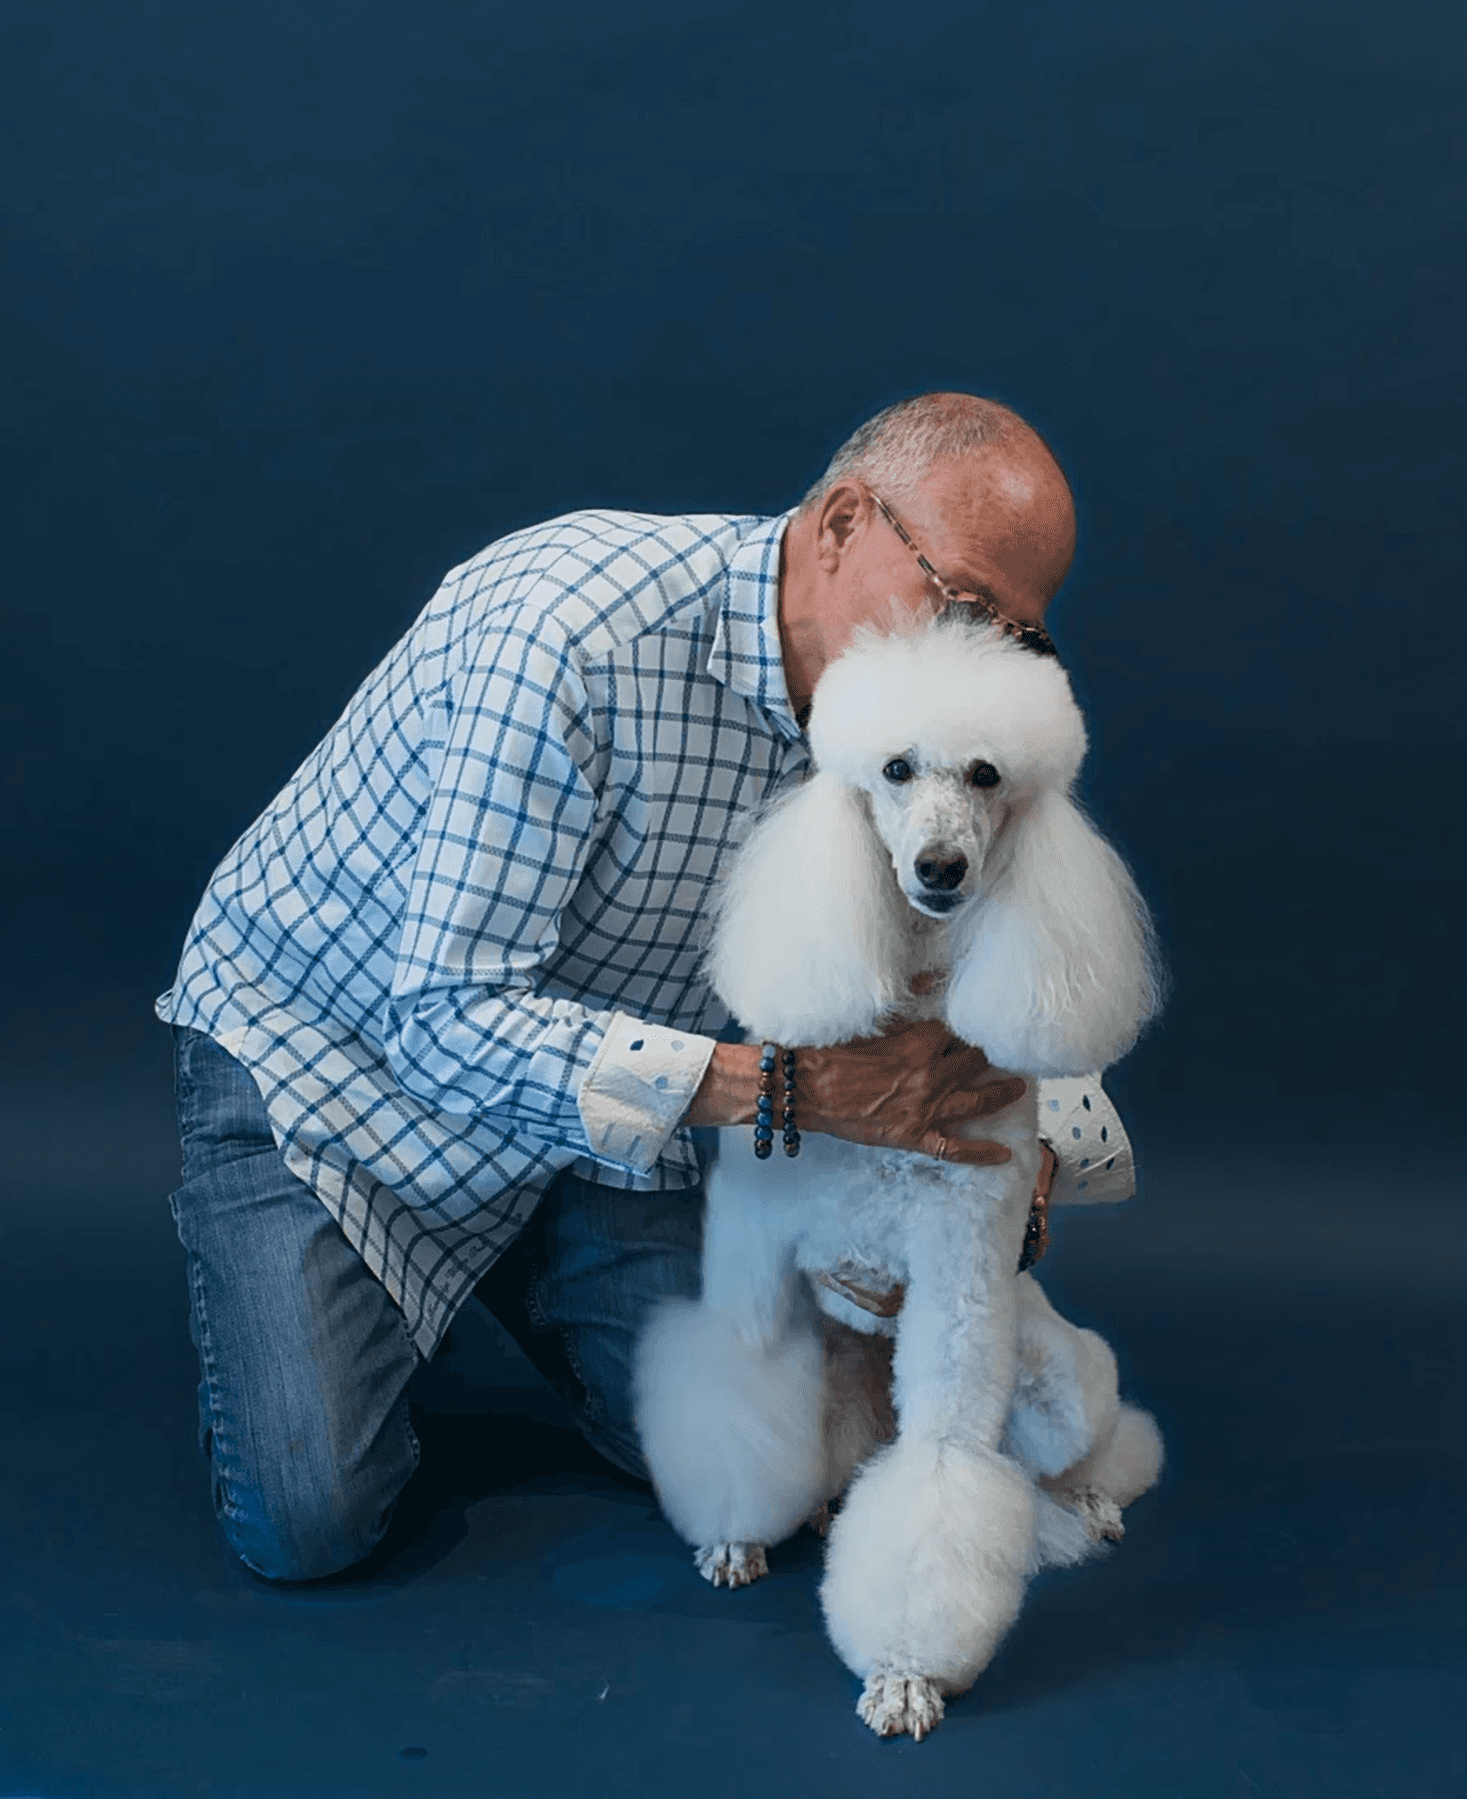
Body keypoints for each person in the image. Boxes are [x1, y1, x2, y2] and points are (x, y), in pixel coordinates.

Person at [157, 391, 1086, 1582]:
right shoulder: (571, 634)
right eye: (959, 602)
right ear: (844, 521)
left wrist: (1029, 1143)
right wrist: (792, 1090)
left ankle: (515, 1255)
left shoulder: (923, 723)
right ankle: (343, 1256)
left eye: (1012, 634)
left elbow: (1018, 944)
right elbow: (439, 1018)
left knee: (752, 1466)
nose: (974, 651)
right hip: (337, 1065)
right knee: (309, 1518)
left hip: (616, 1111)